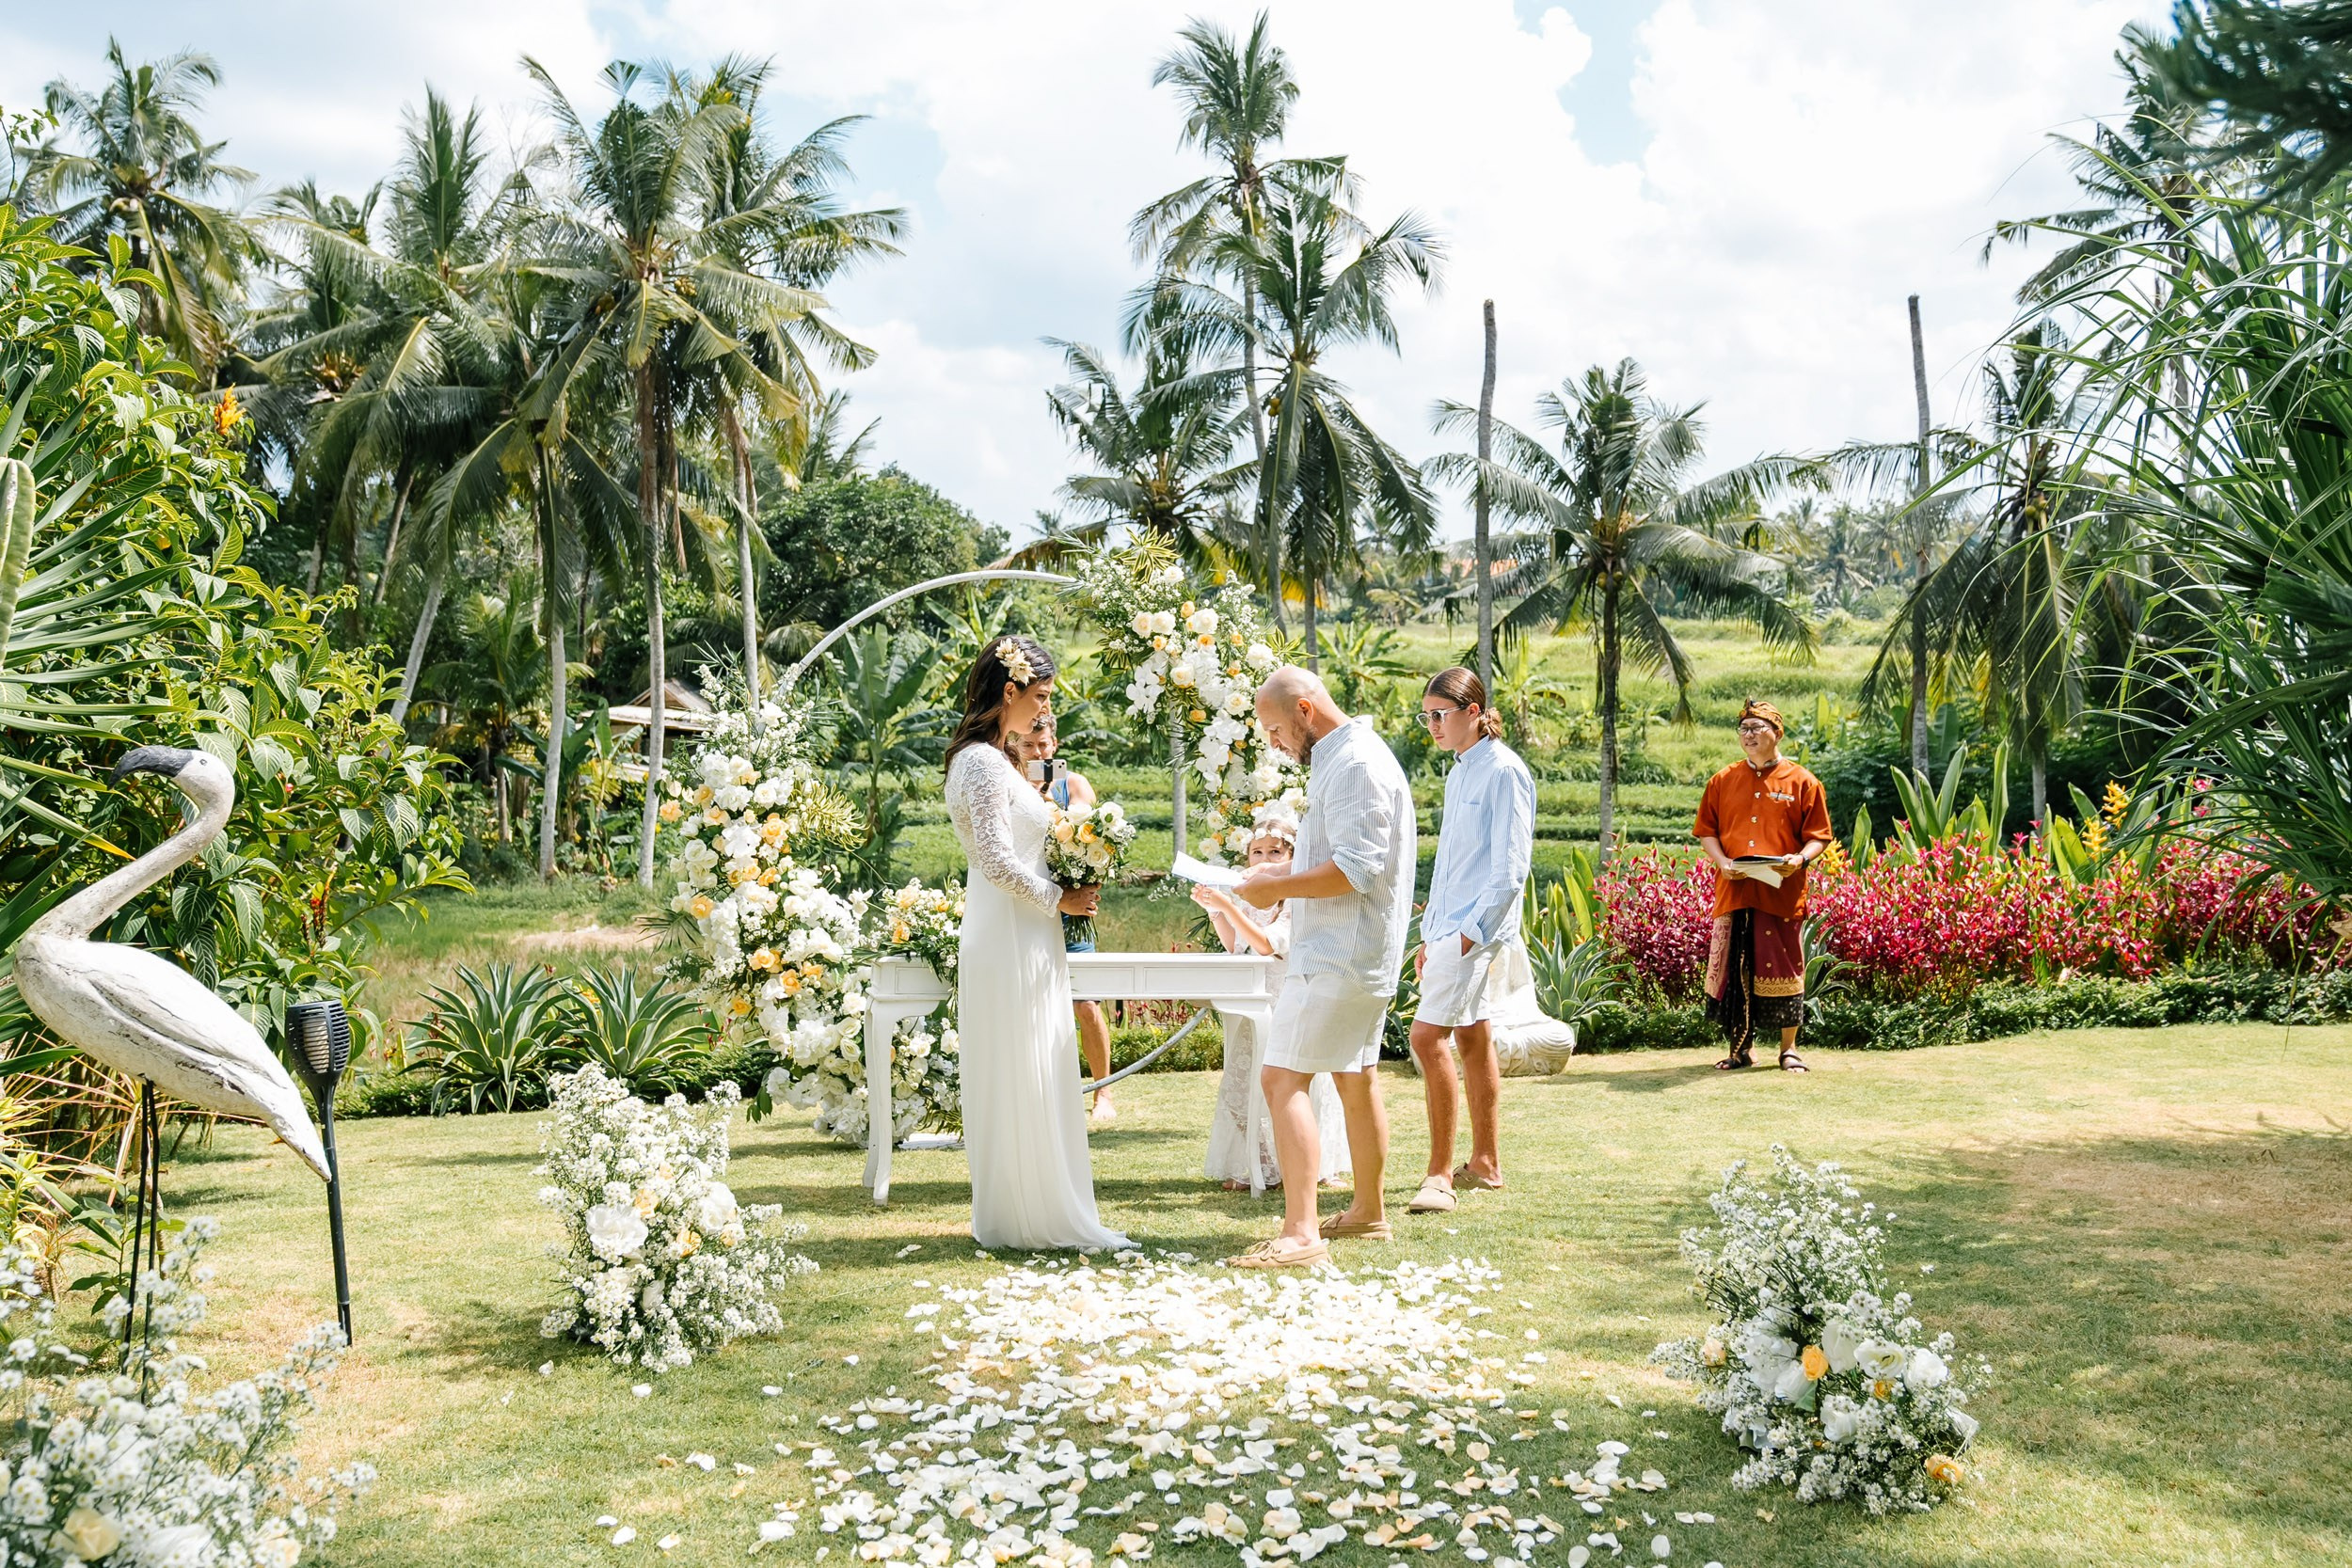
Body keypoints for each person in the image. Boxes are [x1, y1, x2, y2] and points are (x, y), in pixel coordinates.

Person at [942, 636, 1132, 1251]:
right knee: (1018, 1063)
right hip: (1008, 930)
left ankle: (1038, 1204)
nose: (1044, 711)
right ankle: (1021, 1214)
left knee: (1039, 1062)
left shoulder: (998, 760)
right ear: (1010, 690)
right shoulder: (978, 763)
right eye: (1041, 696)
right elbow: (996, 859)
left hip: (1029, 930)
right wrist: (1062, 899)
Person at [1227, 665, 1416, 1268]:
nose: (1276, 744)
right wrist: (1277, 876)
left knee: (1281, 1080)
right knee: (1356, 1078)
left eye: (1278, 730)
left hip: (1338, 954)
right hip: (1354, 952)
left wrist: (1272, 893)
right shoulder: (1344, 756)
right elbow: (1337, 856)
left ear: (1306, 710)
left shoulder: (1356, 763)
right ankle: (1366, 1212)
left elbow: (1356, 870)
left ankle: (1301, 1233)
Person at [1406, 667, 1536, 1216]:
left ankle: (1439, 1177)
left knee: (1425, 1038)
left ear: (1475, 713)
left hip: (1473, 930)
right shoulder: (1459, 771)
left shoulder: (1505, 772)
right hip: (1448, 928)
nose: (1432, 725)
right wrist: (1430, 933)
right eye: (1426, 715)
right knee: (1472, 1037)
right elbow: (1450, 867)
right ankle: (1484, 1163)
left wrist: (1464, 936)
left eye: (1441, 714)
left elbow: (1510, 870)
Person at [1190, 803, 1352, 1193]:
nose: (1264, 860)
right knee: (1245, 1079)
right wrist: (1216, 911)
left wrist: (1227, 904)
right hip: (1251, 997)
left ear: (1291, 858)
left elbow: (1266, 945)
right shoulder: (1249, 898)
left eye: (1275, 853)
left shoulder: (1296, 899)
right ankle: (1255, 1163)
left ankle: (1306, 1164)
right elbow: (1237, 946)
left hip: (1285, 996)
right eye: (1256, 853)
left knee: (1290, 1079)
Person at [1693, 697, 1834, 1072]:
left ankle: (1788, 1049)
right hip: (1735, 888)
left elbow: (1818, 836)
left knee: (1786, 965)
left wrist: (1800, 859)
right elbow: (1707, 832)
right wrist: (1722, 862)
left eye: (1757, 728)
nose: (1749, 735)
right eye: (1744, 729)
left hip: (1781, 891)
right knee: (1737, 968)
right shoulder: (1722, 780)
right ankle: (1740, 1048)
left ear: (1777, 732)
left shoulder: (1803, 781)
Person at [1017, 714, 1116, 1123]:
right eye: (1029, 747)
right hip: (1025, 904)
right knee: (1027, 1002)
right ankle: (1036, 1094)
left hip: (1071, 908)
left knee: (1086, 1003)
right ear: (1014, 748)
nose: (1039, 753)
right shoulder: (1007, 787)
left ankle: (1103, 1094)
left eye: (1044, 746)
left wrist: (1049, 801)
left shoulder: (1071, 784)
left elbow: (1089, 830)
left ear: (1054, 744)